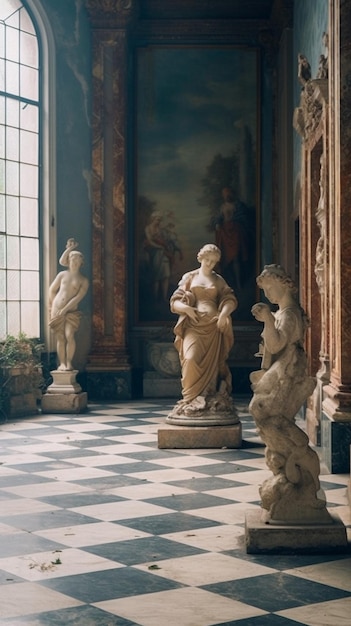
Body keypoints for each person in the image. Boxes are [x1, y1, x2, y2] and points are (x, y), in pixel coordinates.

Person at [249, 265, 326, 522]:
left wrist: (268, 319)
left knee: (266, 413)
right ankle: (285, 461)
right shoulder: (285, 312)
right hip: (283, 367)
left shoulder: (289, 314)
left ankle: (297, 454)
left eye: (269, 288)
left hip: (289, 371)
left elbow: (276, 344)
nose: (268, 293)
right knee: (262, 411)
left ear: (282, 285)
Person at [169, 243, 238, 415]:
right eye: (207, 260)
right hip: (193, 324)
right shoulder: (190, 277)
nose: (210, 264)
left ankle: (206, 399)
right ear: (200, 258)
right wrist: (186, 309)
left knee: (213, 366)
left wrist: (223, 314)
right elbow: (174, 301)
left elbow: (230, 299)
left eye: (213, 261)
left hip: (213, 325)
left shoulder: (218, 279)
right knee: (190, 358)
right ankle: (190, 399)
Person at [49, 240, 89, 371]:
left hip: (71, 312)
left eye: (77, 259)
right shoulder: (62, 274)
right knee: (60, 337)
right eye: (72, 258)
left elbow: (77, 298)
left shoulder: (83, 280)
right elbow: (52, 290)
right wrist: (54, 304)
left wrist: (65, 309)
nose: (74, 261)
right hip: (57, 309)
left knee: (69, 335)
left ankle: (69, 362)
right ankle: (62, 363)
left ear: (81, 262)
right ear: (69, 260)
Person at [215, 187, 248, 290]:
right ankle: (229, 283)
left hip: (235, 232)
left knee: (236, 258)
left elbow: (242, 217)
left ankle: (239, 284)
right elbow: (219, 218)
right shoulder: (223, 207)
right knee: (226, 258)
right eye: (225, 195)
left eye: (228, 194)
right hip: (225, 233)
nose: (226, 196)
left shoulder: (238, 206)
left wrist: (235, 222)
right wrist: (218, 224)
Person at [144, 211, 172, 302]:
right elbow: (150, 242)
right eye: (157, 219)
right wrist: (160, 246)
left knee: (165, 275)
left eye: (160, 220)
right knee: (156, 275)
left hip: (163, 254)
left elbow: (165, 241)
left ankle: (164, 298)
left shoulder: (160, 230)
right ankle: (155, 298)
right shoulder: (148, 228)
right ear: (153, 219)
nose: (159, 222)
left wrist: (164, 245)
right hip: (154, 253)